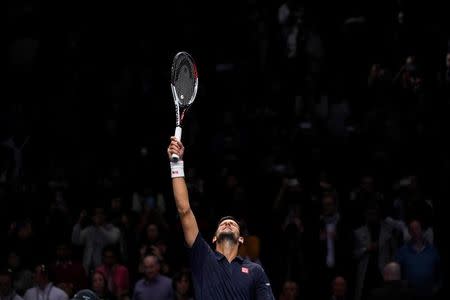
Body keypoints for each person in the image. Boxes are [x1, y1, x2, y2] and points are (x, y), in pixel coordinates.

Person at [167, 136, 275, 299]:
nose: (228, 224)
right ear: (214, 238)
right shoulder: (203, 256)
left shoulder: (255, 270)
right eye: (223, 223)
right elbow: (184, 210)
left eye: (233, 224)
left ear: (241, 239)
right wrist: (176, 163)